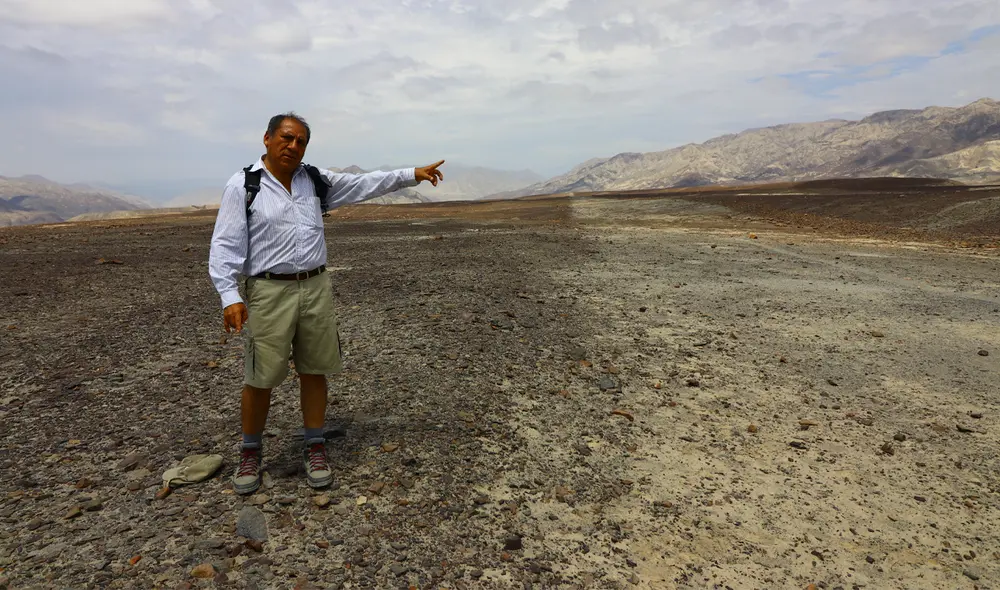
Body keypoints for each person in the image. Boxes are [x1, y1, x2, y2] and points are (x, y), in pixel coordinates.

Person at [208, 112, 444, 494]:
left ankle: (314, 445)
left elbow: (364, 184)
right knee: (260, 375)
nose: (293, 146)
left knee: (315, 368)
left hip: (315, 286)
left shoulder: (315, 181)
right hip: (268, 290)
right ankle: (251, 451)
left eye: (301, 141)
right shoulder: (244, 186)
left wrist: (411, 173)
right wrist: (229, 295)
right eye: (286, 138)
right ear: (267, 139)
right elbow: (225, 244)